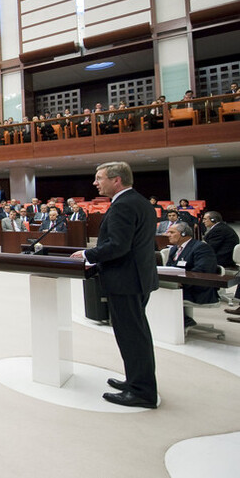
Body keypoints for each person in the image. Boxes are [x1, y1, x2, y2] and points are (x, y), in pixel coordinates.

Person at [71, 162, 158, 408]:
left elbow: (119, 245)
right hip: (137, 278)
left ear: (116, 180)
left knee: (132, 336)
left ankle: (142, 391)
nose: (95, 183)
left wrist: (89, 255)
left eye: (99, 178)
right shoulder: (139, 201)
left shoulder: (124, 205)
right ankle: (135, 380)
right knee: (136, 334)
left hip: (126, 280)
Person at [164, 223, 219, 318]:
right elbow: (169, 268)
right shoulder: (174, 249)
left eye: (172, 232)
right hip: (178, 286)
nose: (168, 235)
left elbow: (202, 271)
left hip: (196, 289)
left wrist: (181, 282)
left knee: (162, 296)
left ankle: (185, 320)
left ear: (184, 234)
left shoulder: (201, 247)